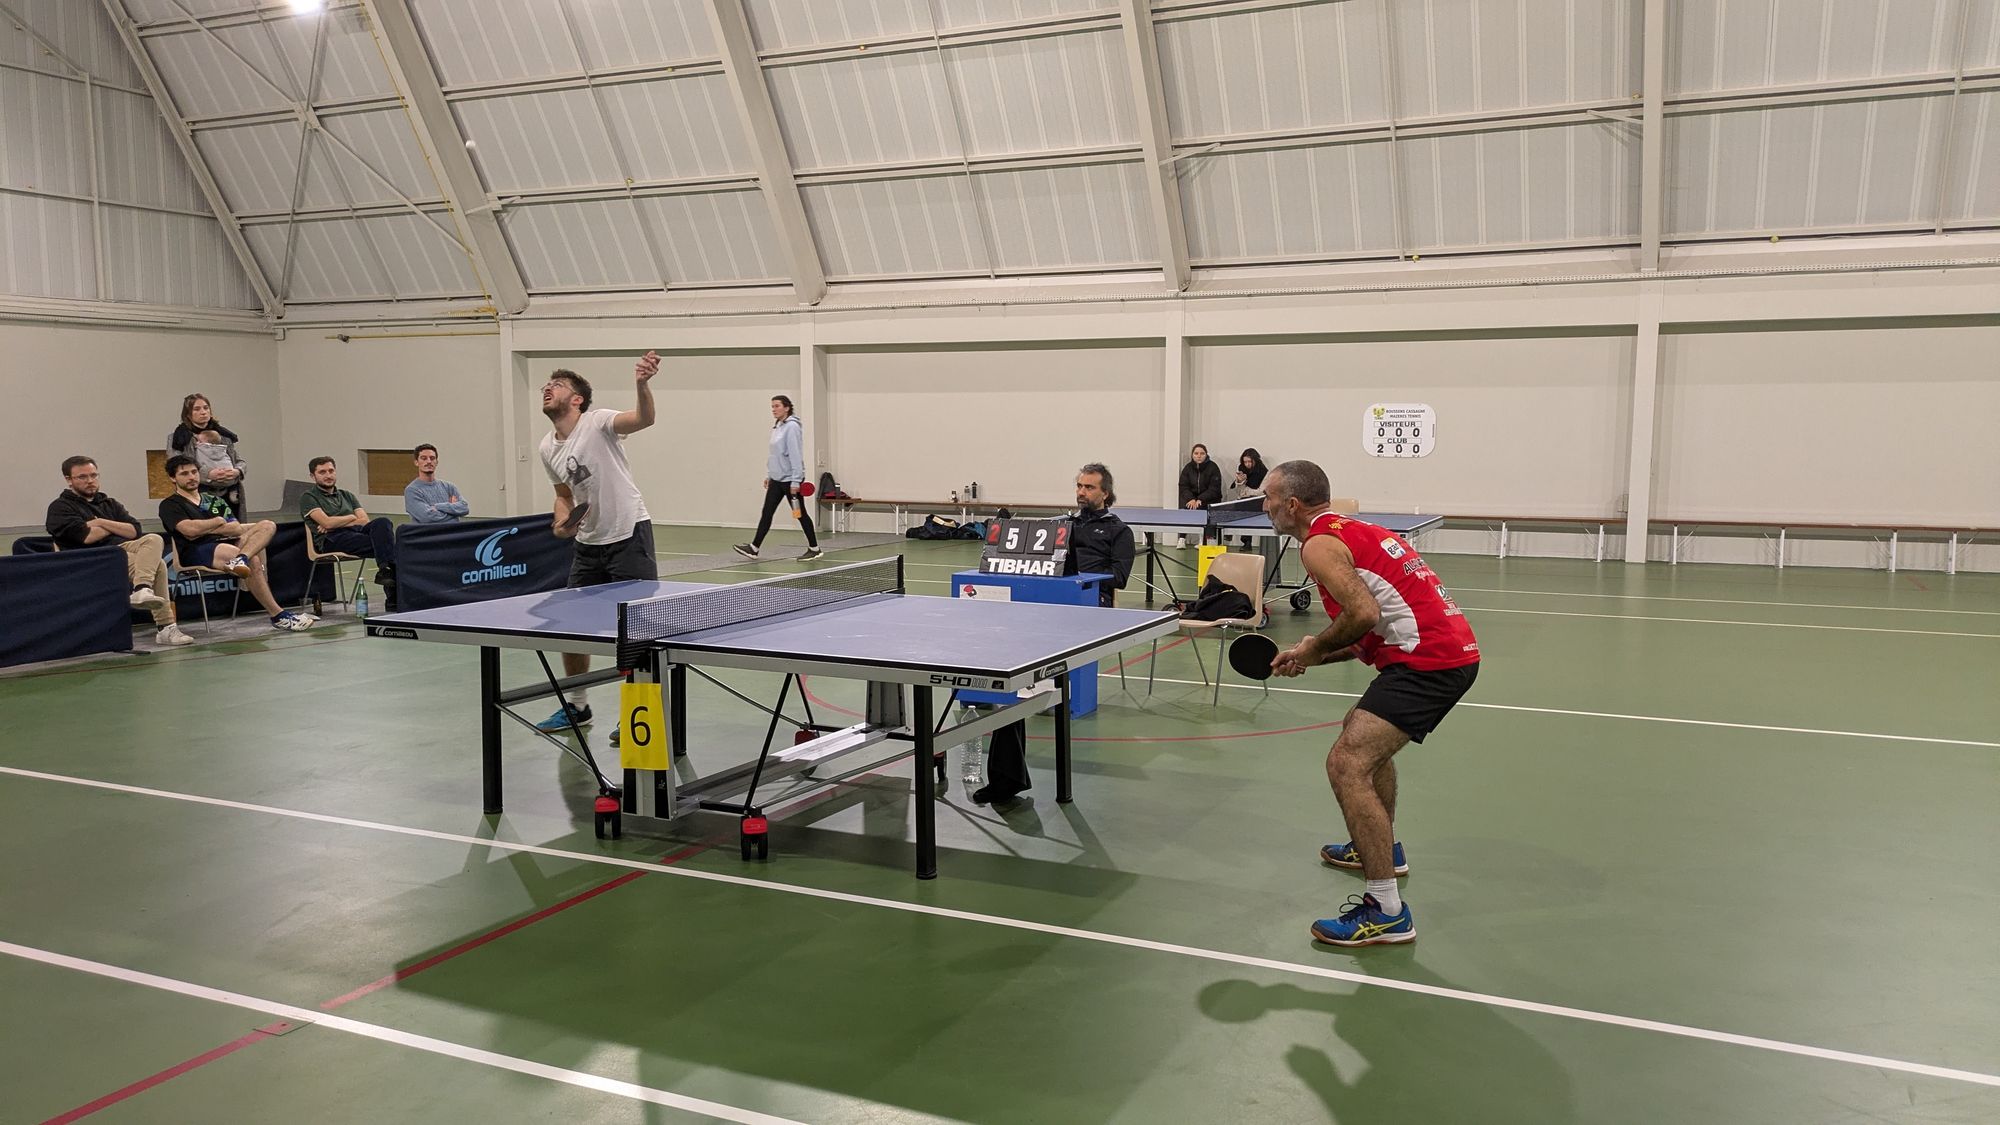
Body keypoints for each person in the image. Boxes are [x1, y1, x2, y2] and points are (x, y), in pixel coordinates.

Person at [1260, 459, 1479, 947]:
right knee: (1360, 737)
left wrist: (1314, 648)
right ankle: (1380, 850)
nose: (1264, 506)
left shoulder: (1318, 546)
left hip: (1429, 662)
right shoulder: (1355, 531)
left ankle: (1386, 911)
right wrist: (1309, 655)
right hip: (1444, 652)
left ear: (1291, 504)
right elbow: (1370, 630)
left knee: (1347, 763)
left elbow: (1363, 612)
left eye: (1268, 497)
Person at [973, 463, 1135, 808]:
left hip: (1090, 607)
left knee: (1025, 678)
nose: (1081, 492)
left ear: (1105, 493)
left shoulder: (1119, 531)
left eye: (1089, 487)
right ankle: (1004, 766)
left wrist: (1079, 581)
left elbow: (1120, 577)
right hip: (1049, 604)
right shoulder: (1062, 525)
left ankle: (1008, 767)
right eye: (1079, 486)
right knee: (1009, 667)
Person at [534, 355, 660, 735]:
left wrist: (641, 384)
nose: (547, 388)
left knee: (637, 629)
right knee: (570, 625)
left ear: (577, 400)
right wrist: (561, 523)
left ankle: (637, 714)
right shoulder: (547, 447)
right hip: (588, 546)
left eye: (557, 385)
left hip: (628, 534)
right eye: (546, 385)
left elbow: (644, 419)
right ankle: (578, 706)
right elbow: (564, 495)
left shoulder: (597, 421)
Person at [45, 455, 194, 647]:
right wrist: (116, 527)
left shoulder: (109, 503)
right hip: (90, 559)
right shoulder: (60, 508)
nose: (90, 480)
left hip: (120, 550)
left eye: (93, 475)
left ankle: (142, 589)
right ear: (69, 480)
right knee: (158, 565)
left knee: (154, 539)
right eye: (82, 477)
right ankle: (165, 626)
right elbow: (86, 537)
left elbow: (134, 530)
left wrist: (100, 522)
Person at [157, 455, 316, 631]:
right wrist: (217, 522)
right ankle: (278, 615)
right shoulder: (170, 505)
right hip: (196, 550)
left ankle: (241, 558)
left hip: (228, 543)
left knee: (267, 525)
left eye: (194, 472)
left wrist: (207, 528)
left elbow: (235, 528)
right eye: (184, 474)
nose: (191, 477)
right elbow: (189, 531)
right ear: (173, 478)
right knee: (253, 560)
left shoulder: (213, 500)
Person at [300, 456, 399, 611]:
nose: (328, 475)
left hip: (356, 533)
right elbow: (327, 523)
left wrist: (336, 522)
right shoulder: (309, 497)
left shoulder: (347, 495)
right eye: (322, 472)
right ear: (313, 476)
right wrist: (351, 517)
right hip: (331, 539)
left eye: (331, 471)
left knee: (383, 522)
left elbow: (364, 520)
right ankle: (393, 598)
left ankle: (385, 570)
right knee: (390, 547)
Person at [732, 395, 824, 562]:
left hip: (790, 482)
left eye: (777, 406)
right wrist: (770, 475)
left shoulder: (792, 427)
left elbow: (795, 454)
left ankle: (814, 548)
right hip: (776, 480)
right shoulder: (778, 426)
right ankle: (754, 548)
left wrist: (796, 480)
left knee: (799, 514)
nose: (773, 409)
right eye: (772, 406)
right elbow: (775, 454)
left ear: (786, 408)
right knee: (767, 512)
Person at [169, 393, 247, 518]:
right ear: (188, 414)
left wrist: (237, 471)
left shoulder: (224, 435)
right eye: (197, 409)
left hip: (230, 492)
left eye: (206, 408)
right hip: (199, 493)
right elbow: (175, 466)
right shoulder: (178, 437)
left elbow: (240, 461)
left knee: (234, 527)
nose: (203, 412)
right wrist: (208, 474)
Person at [404, 444, 470, 524]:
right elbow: (427, 517)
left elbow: (464, 508)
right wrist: (454, 513)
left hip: (453, 531)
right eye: (424, 458)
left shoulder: (449, 487)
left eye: (432, 458)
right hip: (429, 532)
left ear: (436, 462)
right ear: (416, 462)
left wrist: (438, 507)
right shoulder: (412, 490)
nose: (429, 461)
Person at [1175, 443, 1222, 548]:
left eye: (1202, 453)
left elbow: (1214, 488)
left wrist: (1201, 499)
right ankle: (1182, 539)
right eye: (1196, 453)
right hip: (1192, 499)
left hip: (1209, 499)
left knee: (1204, 511)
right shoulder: (1187, 468)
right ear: (1192, 455)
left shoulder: (1213, 467)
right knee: (1186, 508)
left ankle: (1203, 540)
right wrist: (1191, 499)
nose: (1199, 456)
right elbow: (1183, 486)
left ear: (1206, 454)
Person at [1220, 448, 1269, 544]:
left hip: (1258, 501)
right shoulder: (1241, 470)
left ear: (1256, 460)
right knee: (1230, 508)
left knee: (1247, 508)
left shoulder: (1264, 472)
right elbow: (1238, 491)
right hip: (1243, 500)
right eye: (1245, 462)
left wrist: (1245, 490)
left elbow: (1260, 492)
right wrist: (1240, 481)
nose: (1247, 464)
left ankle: (1246, 541)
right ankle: (1228, 533)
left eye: (1250, 461)